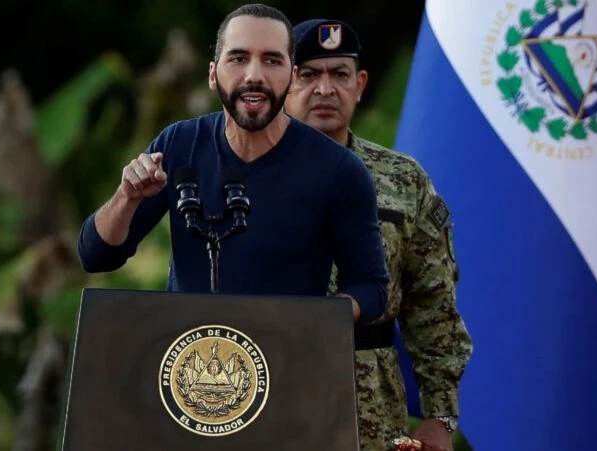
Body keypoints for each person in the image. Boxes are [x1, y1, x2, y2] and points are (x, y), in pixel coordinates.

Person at [77, 5, 389, 325]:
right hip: (190, 362)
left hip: (287, 360)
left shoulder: (338, 170)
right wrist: (126, 197)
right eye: (238, 59)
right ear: (213, 74)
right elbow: (96, 255)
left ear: (292, 76)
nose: (254, 75)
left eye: (271, 60)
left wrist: (310, 319)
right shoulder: (179, 144)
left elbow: (371, 288)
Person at [285, 19, 473, 451]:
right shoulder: (246, 173)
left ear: (360, 84)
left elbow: (434, 305)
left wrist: (440, 418)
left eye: (339, 74)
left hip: (368, 408)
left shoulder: (403, 180)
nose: (325, 89)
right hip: (269, 391)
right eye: (309, 74)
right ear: (284, 82)